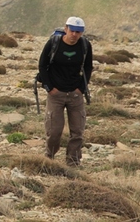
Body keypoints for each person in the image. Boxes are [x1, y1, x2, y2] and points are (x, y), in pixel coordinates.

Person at [38, 16, 93, 166]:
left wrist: (81, 89)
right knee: (54, 131)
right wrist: (49, 88)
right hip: (56, 94)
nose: (75, 34)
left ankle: (73, 162)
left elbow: (88, 67)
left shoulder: (85, 45)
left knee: (77, 131)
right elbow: (42, 65)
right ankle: (49, 159)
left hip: (75, 95)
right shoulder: (53, 43)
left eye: (79, 32)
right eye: (72, 30)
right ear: (66, 29)